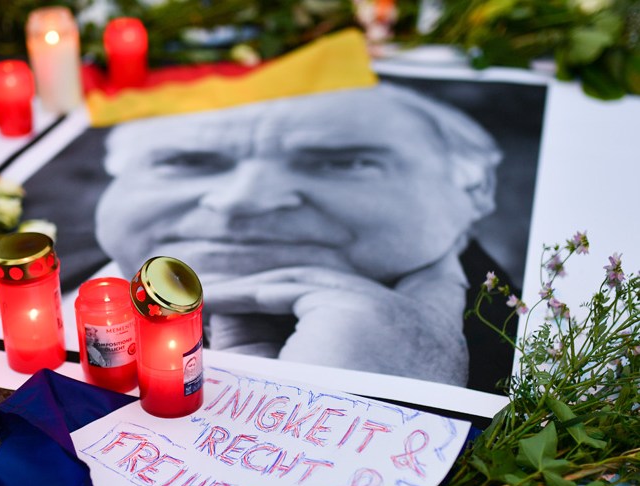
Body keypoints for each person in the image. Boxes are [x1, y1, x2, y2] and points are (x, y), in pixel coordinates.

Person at [91, 82, 504, 386]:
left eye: (342, 164)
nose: (242, 199)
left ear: (476, 189)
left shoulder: (512, 360)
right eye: (186, 162)